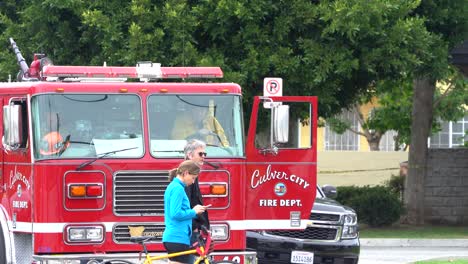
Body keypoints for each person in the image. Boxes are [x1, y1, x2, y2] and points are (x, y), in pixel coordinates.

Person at [162, 160, 208, 264]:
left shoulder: (173, 186)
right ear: (186, 173)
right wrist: (193, 211)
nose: (193, 182)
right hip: (178, 238)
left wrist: (194, 210)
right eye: (193, 178)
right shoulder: (178, 189)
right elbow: (175, 213)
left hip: (174, 238)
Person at [183, 140, 210, 247]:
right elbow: (185, 205)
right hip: (189, 230)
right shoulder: (187, 176)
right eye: (200, 154)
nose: (203, 156)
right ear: (190, 155)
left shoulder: (191, 173)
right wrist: (194, 226)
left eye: (205, 154)